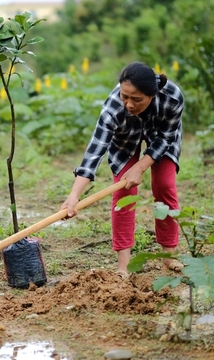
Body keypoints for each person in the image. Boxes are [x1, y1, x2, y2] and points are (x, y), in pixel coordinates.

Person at [60, 61, 184, 276]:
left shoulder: (172, 98)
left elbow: (166, 137)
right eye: (124, 96)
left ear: (152, 95)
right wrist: (74, 195)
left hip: (161, 138)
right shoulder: (113, 108)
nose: (128, 104)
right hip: (125, 140)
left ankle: (168, 256)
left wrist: (141, 166)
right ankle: (123, 265)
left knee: (164, 186)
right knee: (123, 191)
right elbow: (95, 151)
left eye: (136, 99)